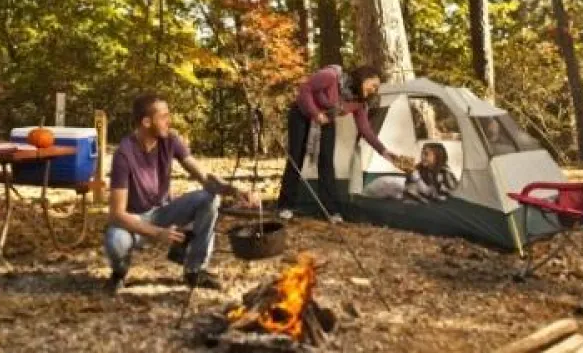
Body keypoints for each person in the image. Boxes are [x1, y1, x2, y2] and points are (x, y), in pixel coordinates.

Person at [104, 94, 260, 293]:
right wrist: (158, 233)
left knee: (209, 198)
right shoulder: (124, 154)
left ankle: (195, 270)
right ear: (146, 122)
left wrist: (237, 191)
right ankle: (119, 273)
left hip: (164, 212)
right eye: (164, 117)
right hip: (135, 219)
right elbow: (116, 214)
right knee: (115, 240)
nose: (169, 121)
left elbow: (203, 175)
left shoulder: (170, 140)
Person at [276, 64, 399, 222]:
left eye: (377, 88)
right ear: (364, 77)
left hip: (327, 119)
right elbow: (305, 90)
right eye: (373, 85)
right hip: (302, 113)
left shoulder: (359, 102)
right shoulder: (331, 76)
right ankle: (285, 206)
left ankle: (330, 210)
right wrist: (315, 113)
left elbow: (366, 130)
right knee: (296, 158)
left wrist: (384, 151)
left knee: (327, 161)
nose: (374, 90)